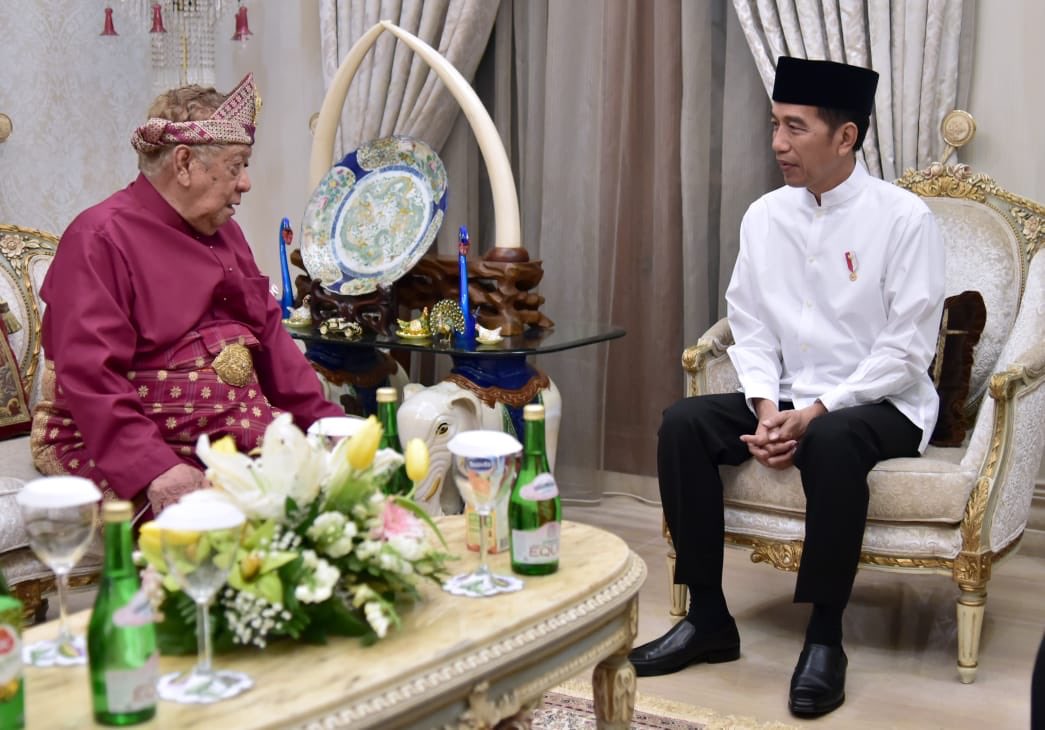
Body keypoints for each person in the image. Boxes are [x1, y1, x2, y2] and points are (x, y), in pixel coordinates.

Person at [627, 57, 945, 718]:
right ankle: (708, 620)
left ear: (844, 137)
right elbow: (749, 321)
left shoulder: (903, 219)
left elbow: (906, 348)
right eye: (774, 124)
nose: (777, 143)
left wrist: (815, 411)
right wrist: (769, 407)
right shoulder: (765, 216)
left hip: (881, 401)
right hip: (789, 393)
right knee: (682, 421)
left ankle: (824, 638)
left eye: (794, 127)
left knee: (828, 439)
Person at [31, 73, 344, 518]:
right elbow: (90, 373)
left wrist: (325, 422)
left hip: (233, 438)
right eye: (237, 166)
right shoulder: (99, 237)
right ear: (183, 164)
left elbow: (271, 339)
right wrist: (153, 468)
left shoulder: (227, 232)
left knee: (343, 508)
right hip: (125, 446)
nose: (246, 184)